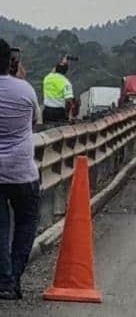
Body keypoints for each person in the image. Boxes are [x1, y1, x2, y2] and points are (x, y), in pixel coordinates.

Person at [0, 39, 41, 300]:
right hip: (22, 172)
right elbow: (36, 122)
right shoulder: (26, 90)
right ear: (11, 62)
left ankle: (3, 280)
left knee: (1, 227)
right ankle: (13, 279)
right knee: (26, 222)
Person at [42, 58, 74, 124]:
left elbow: (53, 71)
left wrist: (62, 62)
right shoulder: (66, 82)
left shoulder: (47, 78)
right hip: (59, 112)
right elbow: (68, 100)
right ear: (66, 71)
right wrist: (67, 114)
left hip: (47, 111)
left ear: (55, 69)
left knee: (47, 132)